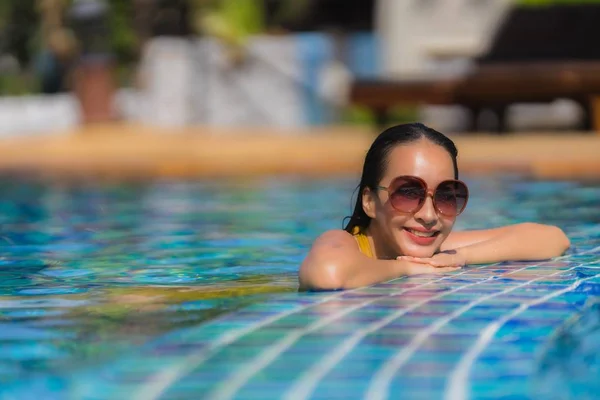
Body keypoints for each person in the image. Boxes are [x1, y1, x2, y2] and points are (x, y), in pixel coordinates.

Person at [299, 123, 570, 291]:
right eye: (407, 192)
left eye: (446, 195)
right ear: (370, 202)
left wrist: (461, 257)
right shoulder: (346, 243)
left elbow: (552, 238)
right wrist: (406, 270)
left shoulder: (436, 250)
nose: (428, 216)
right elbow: (328, 275)